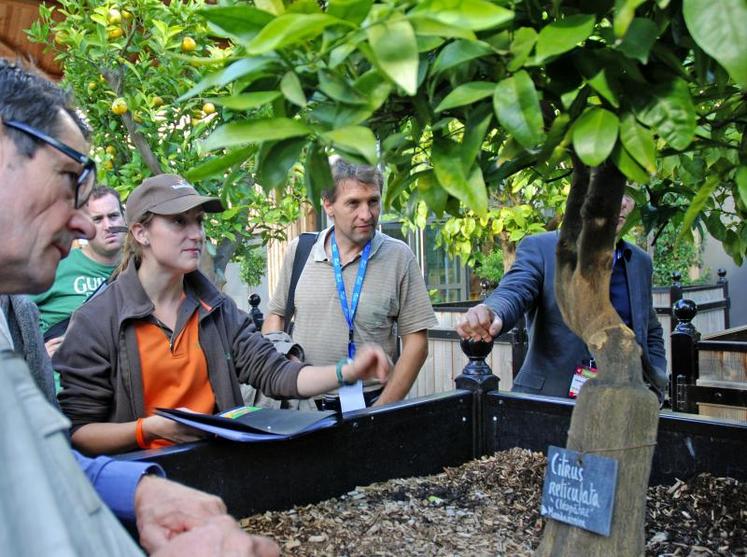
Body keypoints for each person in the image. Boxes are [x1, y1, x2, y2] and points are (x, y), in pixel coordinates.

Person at [0, 58, 278, 556]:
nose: (87, 225)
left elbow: (39, 465)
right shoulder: (96, 318)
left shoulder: (14, 313)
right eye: (70, 177)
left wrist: (136, 490)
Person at [54, 173, 391, 455]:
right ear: (141, 233)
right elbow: (80, 433)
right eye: (178, 222)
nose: (196, 234)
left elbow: (277, 374)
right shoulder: (97, 320)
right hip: (141, 488)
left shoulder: (218, 309)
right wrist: (148, 430)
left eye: (198, 222)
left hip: (217, 474)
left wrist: (345, 371)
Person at [263, 159, 438, 410]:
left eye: (373, 202)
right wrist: (283, 366)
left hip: (371, 403)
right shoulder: (300, 251)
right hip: (303, 406)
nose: (366, 214)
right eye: (353, 203)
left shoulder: (399, 256)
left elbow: (417, 344)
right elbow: (276, 316)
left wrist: (381, 411)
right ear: (328, 205)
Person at [456, 193, 667, 399]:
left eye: (629, 194)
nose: (622, 202)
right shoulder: (542, 249)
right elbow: (514, 291)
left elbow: (650, 329)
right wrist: (492, 311)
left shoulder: (639, 261)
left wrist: (655, 381)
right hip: (551, 406)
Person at [32, 185, 126, 357]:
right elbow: (12, 314)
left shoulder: (140, 269)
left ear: (124, 218)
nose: (108, 226)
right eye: (97, 219)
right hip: (64, 379)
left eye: (113, 216)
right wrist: (34, 355)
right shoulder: (57, 264)